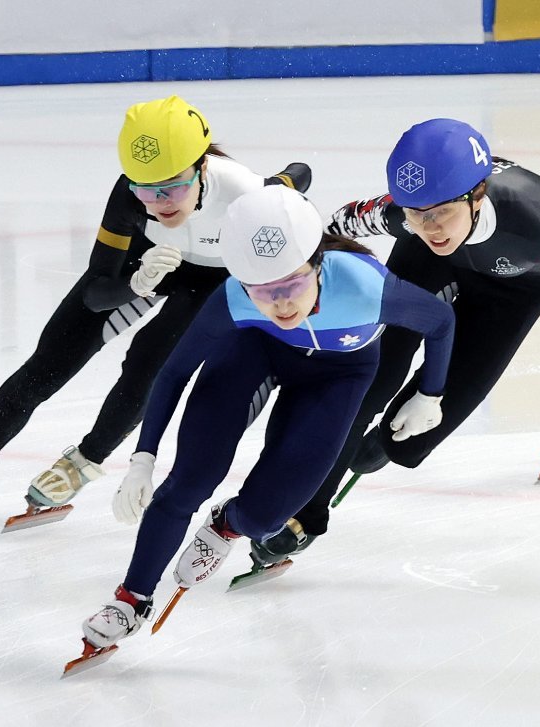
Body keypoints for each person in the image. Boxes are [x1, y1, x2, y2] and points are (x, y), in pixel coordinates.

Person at [0, 96, 311, 519]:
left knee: (149, 361)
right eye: (147, 189)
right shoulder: (129, 196)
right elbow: (96, 292)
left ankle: (84, 462)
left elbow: (298, 180)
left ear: (202, 167)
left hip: (211, 280)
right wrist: (135, 283)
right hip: (149, 262)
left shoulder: (247, 195)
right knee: (50, 361)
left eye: (174, 186)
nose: (162, 201)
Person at [77, 185, 455, 653]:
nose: (280, 305)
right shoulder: (234, 297)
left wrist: (430, 394)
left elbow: (440, 321)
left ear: (317, 264)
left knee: (265, 516)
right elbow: (174, 370)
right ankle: (131, 600)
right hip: (255, 354)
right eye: (262, 291)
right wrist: (143, 457)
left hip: (339, 375)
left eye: (292, 285)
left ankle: (228, 524)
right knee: (189, 481)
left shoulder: (365, 287)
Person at [248, 118, 540, 565]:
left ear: (476, 196)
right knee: (370, 379)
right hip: (426, 265)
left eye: (441, 212)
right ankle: (307, 513)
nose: (431, 226)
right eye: (416, 213)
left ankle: (382, 445)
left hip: (511, 293)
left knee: (412, 434)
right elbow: (341, 222)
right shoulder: (410, 220)